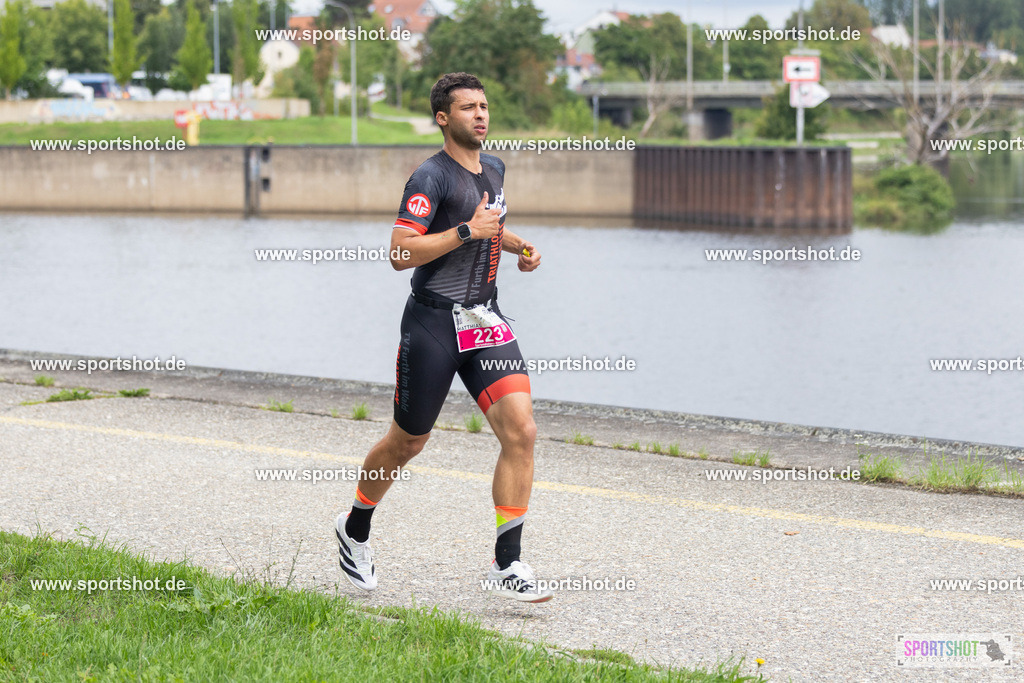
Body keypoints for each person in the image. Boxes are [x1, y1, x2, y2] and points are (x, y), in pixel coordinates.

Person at [335, 72, 552, 603]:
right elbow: (400, 252)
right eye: (467, 108)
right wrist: (466, 232)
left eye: (484, 105)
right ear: (443, 118)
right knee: (408, 442)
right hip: (433, 323)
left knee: (521, 431)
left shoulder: (495, 168)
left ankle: (508, 564)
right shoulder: (429, 177)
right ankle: (354, 529)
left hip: (486, 322)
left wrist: (518, 245)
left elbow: (489, 228)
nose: (480, 115)